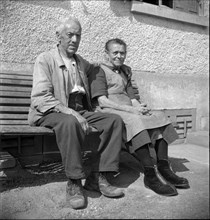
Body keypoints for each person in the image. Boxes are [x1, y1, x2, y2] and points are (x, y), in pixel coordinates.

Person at [28, 18, 125, 210]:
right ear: (58, 36)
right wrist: (70, 112)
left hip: (79, 109)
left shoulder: (80, 62)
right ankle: (74, 182)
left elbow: (96, 69)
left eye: (78, 35)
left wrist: (110, 65)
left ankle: (97, 177)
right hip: (52, 110)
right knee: (70, 122)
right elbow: (40, 97)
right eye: (69, 35)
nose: (74, 39)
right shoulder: (45, 59)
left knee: (114, 121)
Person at [90, 38, 190, 197]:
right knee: (135, 121)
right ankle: (150, 175)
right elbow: (101, 101)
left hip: (128, 108)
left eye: (122, 53)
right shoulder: (98, 71)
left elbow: (133, 98)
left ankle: (164, 168)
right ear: (106, 54)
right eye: (115, 52)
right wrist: (130, 110)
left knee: (159, 116)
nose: (119, 56)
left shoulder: (125, 71)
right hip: (109, 110)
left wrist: (140, 108)